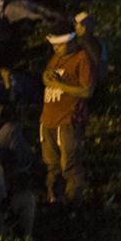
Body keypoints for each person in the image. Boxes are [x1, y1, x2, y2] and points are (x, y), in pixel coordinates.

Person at [39, 27, 95, 203]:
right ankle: (54, 200)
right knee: (52, 165)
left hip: (69, 119)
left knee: (70, 166)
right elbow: (48, 78)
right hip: (48, 119)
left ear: (70, 42)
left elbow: (87, 90)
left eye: (60, 45)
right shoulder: (57, 56)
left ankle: (73, 205)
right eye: (54, 46)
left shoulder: (82, 58)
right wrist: (47, 78)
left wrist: (60, 85)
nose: (56, 49)